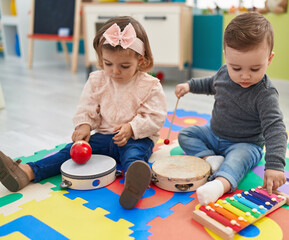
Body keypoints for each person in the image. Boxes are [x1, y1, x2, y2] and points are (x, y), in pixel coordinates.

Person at [0, 16, 167, 209]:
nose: (115, 71)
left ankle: (133, 184)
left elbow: (155, 117)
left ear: (140, 60)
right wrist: (84, 125)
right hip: (104, 137)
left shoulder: (150, 85)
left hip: (136, 139)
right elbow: (87, 106)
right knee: (71, 151)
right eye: (108, 63)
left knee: (133, 156)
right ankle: (26, 172)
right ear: (101, 58)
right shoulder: (97, 80)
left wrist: (132, 128)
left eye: (124, 66)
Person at [174, 12, 287, 205]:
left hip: (245, 144)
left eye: (254, 69)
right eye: (236, 68)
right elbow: (211, 84)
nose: (244, 76)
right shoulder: (224, 72)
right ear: (226, 57)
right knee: (185, 135)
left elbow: (275, 129)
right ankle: (210, 159)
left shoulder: (265, 94)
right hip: (214, 134)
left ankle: (219, 185)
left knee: (237, 161)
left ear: (269, 59)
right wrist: (190, 86)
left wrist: (275, 165)